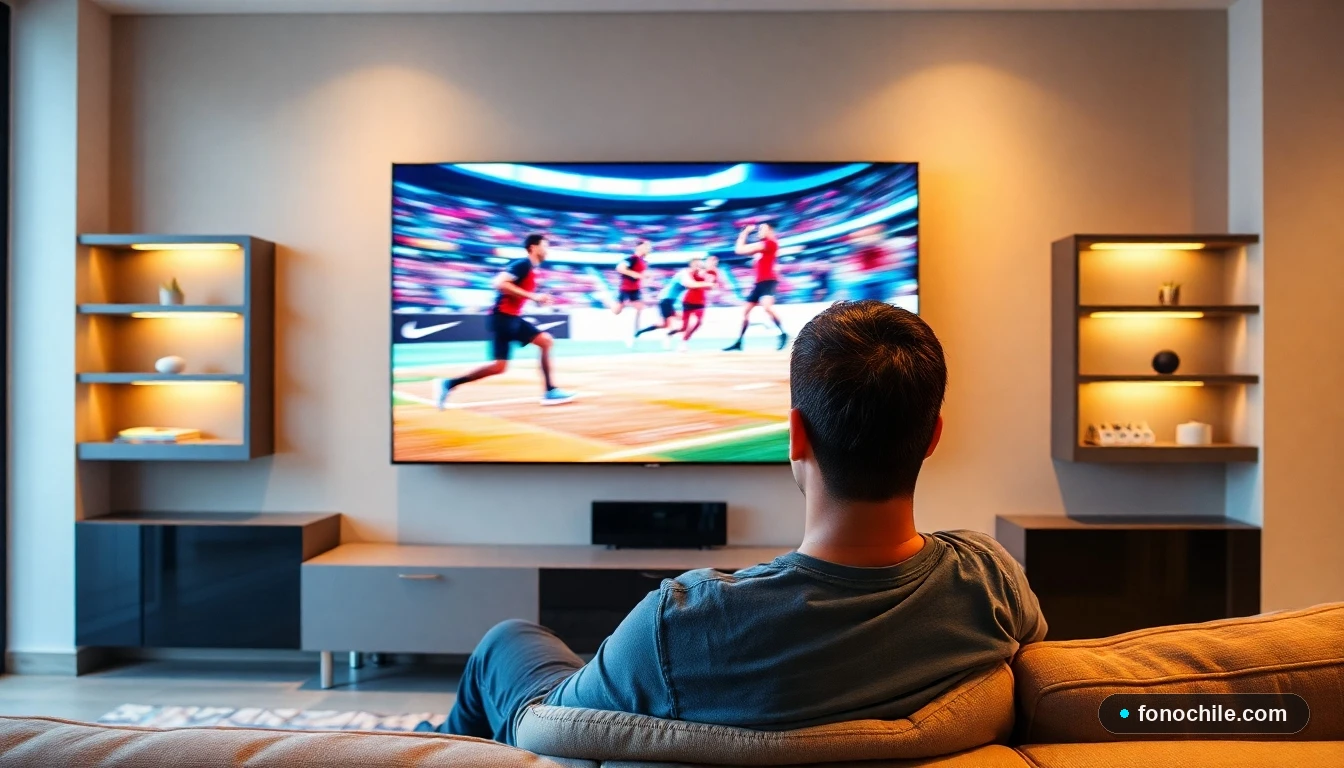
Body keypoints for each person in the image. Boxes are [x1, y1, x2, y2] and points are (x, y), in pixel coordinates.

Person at [426, 300, 1047, 744]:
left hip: (551, 713)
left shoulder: (684, 620)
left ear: (796, 435)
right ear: (933, 436)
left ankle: (425, 750)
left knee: (506, 642)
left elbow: (552, 728)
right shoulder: (990, 579)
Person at [434, 233, 576, 408]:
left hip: (509, 318)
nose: (548, 250)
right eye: (545, 246)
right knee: (545, 342)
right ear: (533, 247)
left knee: (500, 366)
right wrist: (533, 296)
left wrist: (537, 299)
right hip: (503, 318)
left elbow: (515, 293)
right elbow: (499, 283)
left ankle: (448, 384)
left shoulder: (531, 269)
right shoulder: (522, 264)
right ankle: (550, 391)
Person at [724, 223, 788, 352]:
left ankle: (783, 334)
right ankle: (739, 342)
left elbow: (740, 250)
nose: (759, 231)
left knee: (767, 307)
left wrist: (745, 232)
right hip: (758, 284)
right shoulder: (761, 248)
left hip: (768, 281)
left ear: (770, 231)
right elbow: (740, 251)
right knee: (745, 312)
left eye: (762, 229)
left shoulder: (770, 243)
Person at [612, 240, 651, 347]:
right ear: (639, 247)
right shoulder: (631, 259)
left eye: (648, 247)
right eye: (646, 247)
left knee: (639, 308)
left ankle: (634, 334)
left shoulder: (644, 261)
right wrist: (634, 274)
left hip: (636, 289)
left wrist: (645, 276)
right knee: (617, 311)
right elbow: (620, 268)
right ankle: (609, 301)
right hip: (626, 288)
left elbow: (642, 274)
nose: (648, 249)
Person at [677, 255, 719, 352]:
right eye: (710, 261)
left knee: (698, 322)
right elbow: (690, 282)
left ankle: (684, 341)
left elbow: (713, 286)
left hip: (701, 301)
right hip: (688, 300)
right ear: (706, 262)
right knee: (684, 326)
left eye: (715, 262)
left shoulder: (714, 273)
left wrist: (711, 285)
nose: (712, 264)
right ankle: (673, 334)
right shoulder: (696, 270)